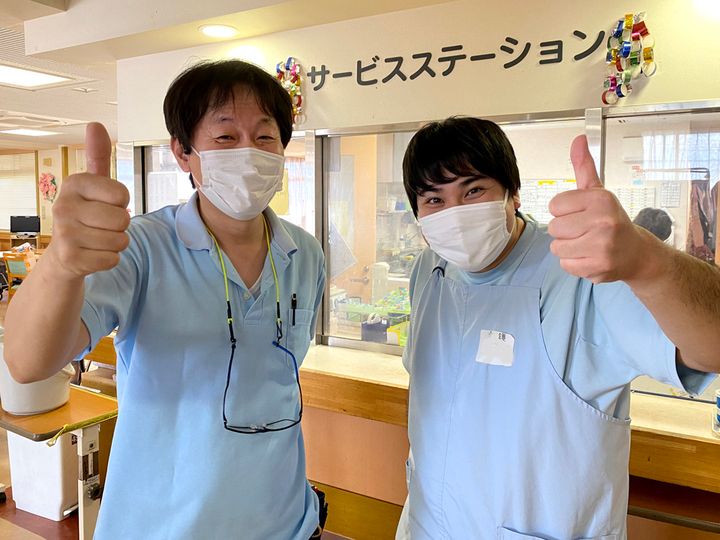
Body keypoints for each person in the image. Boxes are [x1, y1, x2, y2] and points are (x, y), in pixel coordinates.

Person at [4, 60, 326, 540]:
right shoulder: (139, 247)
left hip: (287, 524)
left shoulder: (305, 252)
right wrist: (60, 266)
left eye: (264, 137)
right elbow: (29, 362)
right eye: (225, 137)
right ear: (182, 153)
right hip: (163, 526)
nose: (249, 153)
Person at [395, 117, 720, 539]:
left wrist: (647, 262)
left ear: (513, 194)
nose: (455, 215)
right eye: (434, 200)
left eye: (473, 191)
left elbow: (712, 348)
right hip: (429, 525)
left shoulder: (583, 270)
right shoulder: (430, 269)